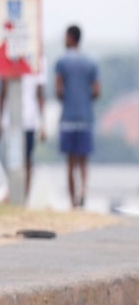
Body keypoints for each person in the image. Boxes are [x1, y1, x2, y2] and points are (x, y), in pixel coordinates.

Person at [54, 25, 100, 209]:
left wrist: (68, 97)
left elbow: (58, 89)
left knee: (70, 162)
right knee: (83, 161)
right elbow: (97, 90)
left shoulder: (62, 62)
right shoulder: (90, 62)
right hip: (85, 116)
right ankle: (83, 191)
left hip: (68, 118)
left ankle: (73, 202)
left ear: (71, 38)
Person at [0, 61, 47, 200]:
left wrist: (42, 123)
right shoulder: (8, 61)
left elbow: (40, 94)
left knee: (27, 160)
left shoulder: (37, 62)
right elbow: (2, 92)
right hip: (11, 120)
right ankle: (14, 194)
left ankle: (25, 197)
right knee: (14, 160)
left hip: (29, 121)